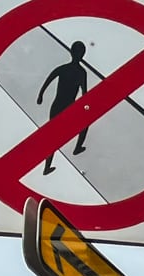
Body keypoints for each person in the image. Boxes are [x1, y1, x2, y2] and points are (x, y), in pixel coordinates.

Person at [36, 41, 90, 175]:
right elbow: (49, 79)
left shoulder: (80, 72)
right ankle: (47, 166)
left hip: (68, 106)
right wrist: (40, 94)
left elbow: (85, 93)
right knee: (53, 138)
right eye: (78, 52)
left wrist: (86, 106)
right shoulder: (71, 70)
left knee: (82, 125)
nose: (79, 55)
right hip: (60, 105)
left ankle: (77, 147)